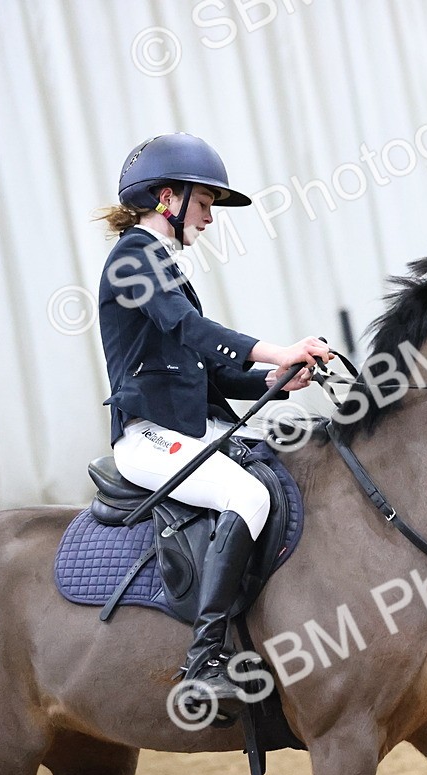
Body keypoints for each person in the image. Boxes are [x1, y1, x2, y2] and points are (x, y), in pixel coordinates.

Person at [96, 133, 330, 703]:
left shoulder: (162, 263)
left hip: (195, 427)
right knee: (246, 496)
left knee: (290, 465)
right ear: (167, 198)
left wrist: (275, 381)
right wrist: (277, 350)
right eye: (204, 203)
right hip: (149, 437)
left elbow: (206, 371)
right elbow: (191, 330)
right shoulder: (132, 259)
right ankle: (203, 661)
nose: (209, 217)